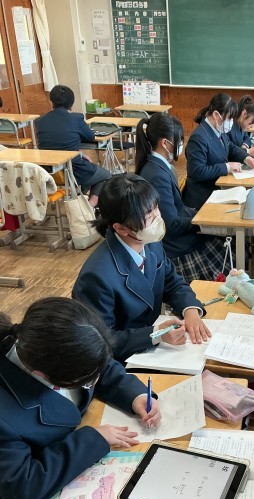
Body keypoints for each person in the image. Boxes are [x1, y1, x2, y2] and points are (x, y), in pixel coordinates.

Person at [0, 297, 159, 499]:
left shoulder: (57, 347)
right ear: (45, 376)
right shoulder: (5, 409)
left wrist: (134, 395)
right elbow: (23, 486)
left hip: (74, 469)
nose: (90, 383)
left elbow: (101, 367)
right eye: (82, 381)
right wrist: (93, 439)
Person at [72, 174, 210, 364]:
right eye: (149, 217)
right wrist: (156, 334)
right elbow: (102, 341)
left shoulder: (149, 242)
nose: (158, 218)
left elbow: (172, 281)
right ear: (121, 228)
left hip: (158, 348)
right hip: (125, 361)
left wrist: (190, 309)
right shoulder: (97, 276)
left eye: (156, 208)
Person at [135, 112, 230, 282]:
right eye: (178, 140)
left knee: (223, 239)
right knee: (223, 250)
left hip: (177, 234)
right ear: (165, 143)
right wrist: (201, 222)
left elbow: (176, 210)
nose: (181, 145)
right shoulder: (156, 174)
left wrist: (201, 216)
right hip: (175, 247)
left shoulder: (157, 166)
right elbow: (171, 224)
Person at [35, 85, 111, 207]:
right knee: (106, 176)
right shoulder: (76, 118)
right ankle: (90, 206)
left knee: (89, 174)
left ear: (52, 101)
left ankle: (81, 201)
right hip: (74, 170)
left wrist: (79, 153)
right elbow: (90, 137)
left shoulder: (40, 121)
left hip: (51, 173)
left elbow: (55, 145)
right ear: (72, 102)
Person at [182, 93, 254, 210]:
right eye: (229, 118)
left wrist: (246, 158)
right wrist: (226, 167)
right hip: (203, 196)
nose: (231, 122)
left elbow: (230, 147)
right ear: (216, 115)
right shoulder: (198, 137)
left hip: (218, 188)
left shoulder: (219, 130)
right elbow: (197, 171)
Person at [226, 95, 254, 160]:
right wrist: (248, 151)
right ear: (244, 114)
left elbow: (247, 137)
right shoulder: (228, 126)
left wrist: (245, 145)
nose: (251, 127)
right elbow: (229, 150)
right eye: (251, 123)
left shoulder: (241, 125)